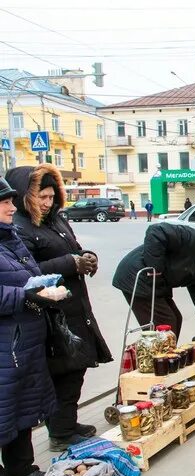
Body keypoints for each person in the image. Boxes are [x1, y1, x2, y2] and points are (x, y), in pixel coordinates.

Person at [7, 164, 113, 452]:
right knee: (65, 370)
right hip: (51, 313)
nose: (47, 202)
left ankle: (67, 422)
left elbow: (71, 249)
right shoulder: (20, 226)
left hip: (73, 305)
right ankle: (61, 432)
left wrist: (85, 257)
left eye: (51, 197)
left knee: (76, 367)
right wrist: (70, 263)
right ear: (24, 195)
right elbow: (26, 272)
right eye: (41, 196)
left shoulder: (54, 220)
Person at [0, 178, 57, 476]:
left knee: (20, 407)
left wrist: (45, 290)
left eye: (11, 201)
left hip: (22, 342)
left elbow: (30, 275)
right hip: (6, 343)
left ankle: (20, 469)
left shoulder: (12, 239)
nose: (12, 207)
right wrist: (25, 295)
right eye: (5, 203)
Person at [112, 223, 195, 344]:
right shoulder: (192, 238)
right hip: (137, 277)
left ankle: (165, 358)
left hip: (157, 285)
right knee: (166, 323)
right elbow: (156, 231)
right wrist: (155, 267)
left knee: (175, 318)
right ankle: (158, 362)